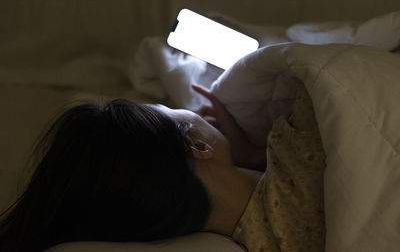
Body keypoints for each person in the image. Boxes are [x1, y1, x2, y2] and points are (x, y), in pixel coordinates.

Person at [0, 84, 326, 252]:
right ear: (198, 146)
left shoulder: (260, 245)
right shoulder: (302, 134)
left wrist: (253, 154)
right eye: (170, 108)